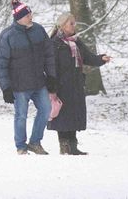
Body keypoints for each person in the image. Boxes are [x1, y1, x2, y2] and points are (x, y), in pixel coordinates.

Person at [0, 0, 57, 155]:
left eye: (30, 14)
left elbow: (49, 55)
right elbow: (0, 64)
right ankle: (21, 146)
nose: (31, 17)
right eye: (27, 15)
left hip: (39, 82)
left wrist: (51, 76)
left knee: (46, 109)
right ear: (19, 18)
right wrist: (6, 88)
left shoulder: (39, 30)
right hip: (19, 85)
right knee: (21, 116)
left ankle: (35, 142)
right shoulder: (7, 36)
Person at [47, 12, 113, 155]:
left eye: (74, 23)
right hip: (61, 86)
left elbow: (88, 57)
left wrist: (101, 59)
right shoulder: (54, 44)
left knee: (74, 115)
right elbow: (50, 66)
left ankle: (73, 146)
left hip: (76, 85)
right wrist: (52, 86)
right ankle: (64, 146)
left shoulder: (76, 42)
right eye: (71, 23)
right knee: (62, 117)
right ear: (62, 25)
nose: (74, 26)